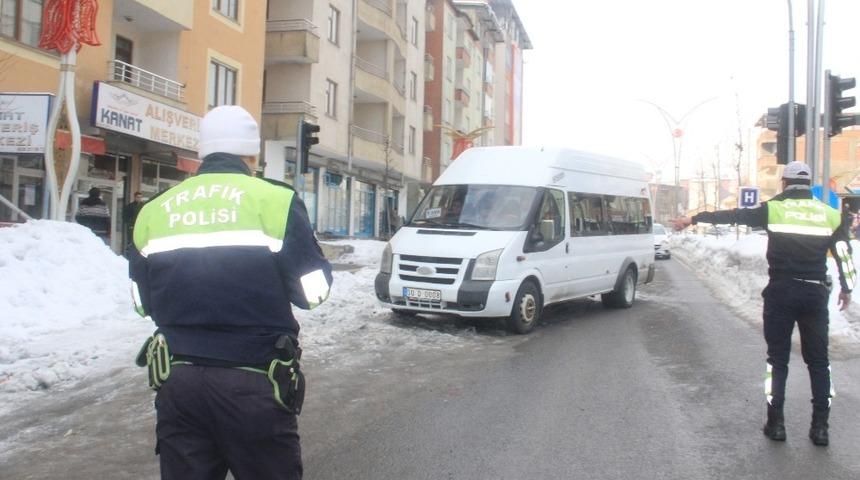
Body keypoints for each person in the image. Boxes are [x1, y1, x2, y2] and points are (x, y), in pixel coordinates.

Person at [128, 105, 333, 479]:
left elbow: (143, 303)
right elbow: (312, 294)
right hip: (255, 381)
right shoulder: (276, 201)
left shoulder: (155, 209)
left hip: (179, 383)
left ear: (202, 153)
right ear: (252, 156)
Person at [673, 161, 854, 447]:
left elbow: (733, 216)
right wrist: (847, 287)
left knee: (777, 360)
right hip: (814, 293)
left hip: (781, 292)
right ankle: (821, 427)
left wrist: (693, 219)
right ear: (809, 185)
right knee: (820, 362)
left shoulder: (773, 209)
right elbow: (844, 253)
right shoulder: (830, 214)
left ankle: (776, 423)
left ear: (785, 183)